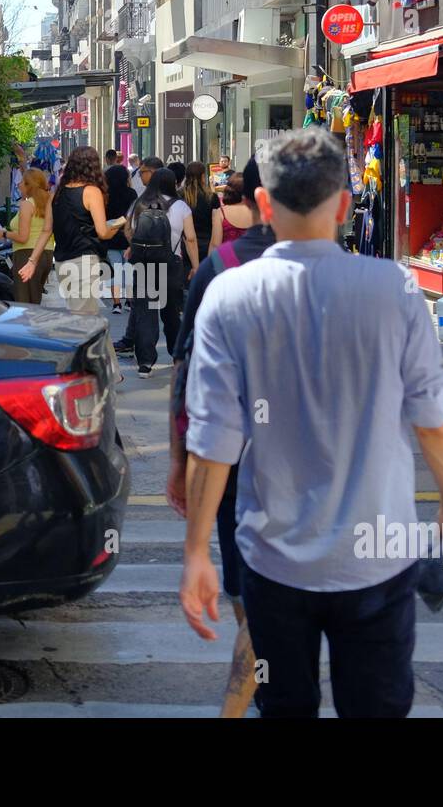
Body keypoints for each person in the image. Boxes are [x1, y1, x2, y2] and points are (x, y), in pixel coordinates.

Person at [179, 127, 443, 718]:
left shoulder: (229, 295)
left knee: (285, 707)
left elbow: (213, 442)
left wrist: (195, 553)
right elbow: (434, 420)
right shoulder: (393, 288)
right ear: (345, 204)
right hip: (378, 560)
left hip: (273, 563)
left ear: (264, 206)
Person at [169, 155, 274, 717]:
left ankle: (258, 686)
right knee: (261, 594)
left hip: (233, 460)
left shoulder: (220, 268)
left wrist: (178, 459)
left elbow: (185, 373)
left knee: (248, 587)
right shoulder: (352, 276)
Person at [18, 145, 125, 316]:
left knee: (82, 315)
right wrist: (119, 225)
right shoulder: (92, 192)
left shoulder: (56, 194)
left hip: (62, 262)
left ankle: (100, 343)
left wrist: (32, 261)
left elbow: (46, 231)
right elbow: (103, 232)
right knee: (84, 320)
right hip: (84, 262)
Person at [126, 166, 197, 378]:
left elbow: (128, 229)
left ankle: (145, 364)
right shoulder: (181, 206)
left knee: (145, 313)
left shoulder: (139, 203)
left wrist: (138, 247)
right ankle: (177, 357)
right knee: (171, 313)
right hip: (171, 264)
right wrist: (195, 265)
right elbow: (190, 238)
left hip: (145, 264)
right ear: (173, 183)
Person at [115, 156, 165, 353]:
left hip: (146, 260)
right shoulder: (177, 201)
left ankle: (146, 354)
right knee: (153, 307)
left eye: (143, 171)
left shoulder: (143, 202)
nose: (140, 175)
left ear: (153, 173)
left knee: (147, 307)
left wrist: (136, 245)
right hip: (170, 260)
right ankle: (132, 339)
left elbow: (128, 228)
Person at [2, 168, 55, 304]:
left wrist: (4, 233)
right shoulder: (50, 200)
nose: (18, 185)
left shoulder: (27, 205)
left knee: (24, 303)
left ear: (29, 185)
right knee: (35, 300)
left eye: (21, 182)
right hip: (47, 254)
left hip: (27, 255)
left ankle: (28, 326)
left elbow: (23, 237)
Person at [103, 164, 137, 314]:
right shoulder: (131, 193)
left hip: (110, 236)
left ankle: (117, 304)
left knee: (115, 271)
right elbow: (134, 215)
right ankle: (129, 301)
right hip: (127, 236)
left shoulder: (105, 194)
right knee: (128, 270)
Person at [181, 161, 220, 260]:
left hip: (185, 246)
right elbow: (217, 224)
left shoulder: (179, 196)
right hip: (208, 245)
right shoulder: (212, 197)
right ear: (203, 176)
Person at [213, 174, 251, 249]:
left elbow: (215, 244)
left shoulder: (221, 212)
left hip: (228, 258)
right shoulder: (257, 212)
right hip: (254, 258)